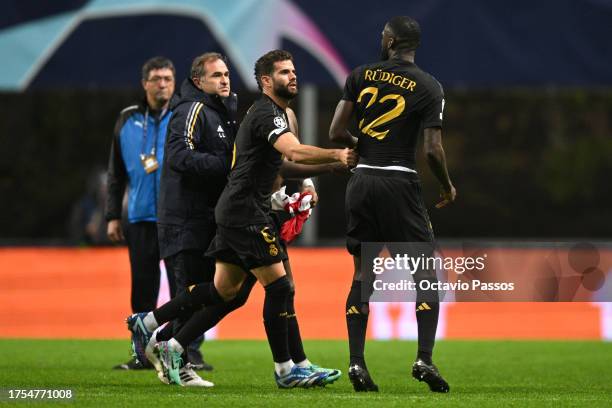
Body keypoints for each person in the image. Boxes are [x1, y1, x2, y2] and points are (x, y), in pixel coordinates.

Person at [127, 50, 356, 388]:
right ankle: (287, 369)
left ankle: (163, 336)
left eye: (293, 71)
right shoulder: (266, 114)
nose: (293, 76)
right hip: (245, 211)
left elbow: (284, 165)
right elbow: (292, 152)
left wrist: (331, 167)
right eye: (283, 72)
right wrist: (337, 154)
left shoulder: (273, 114)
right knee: (280, 287)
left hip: (241, 209)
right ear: (266, 81)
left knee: (226, 291)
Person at [329, 16, 455, 393]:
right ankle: (423, 358)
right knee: (424, 275)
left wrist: (362, 146)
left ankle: (355, 361)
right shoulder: (430, 86)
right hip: (400, 182)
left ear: (390, 41)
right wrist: (447, 185)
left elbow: (336, 133)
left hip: (363, 181)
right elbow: (432, 149)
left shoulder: (361, 74)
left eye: (382, 36)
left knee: (362, 276)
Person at [152, 53, 239, 384]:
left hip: (203, 220)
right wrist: (224, 165)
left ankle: (160, 341)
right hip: (183, 219)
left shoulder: (219, 114)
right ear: (198, 81)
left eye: (227, 74)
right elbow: (178, 157)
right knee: (190, 294)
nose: (224, 80)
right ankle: (177, 361)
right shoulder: (192, 110)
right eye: (216, 75)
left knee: (204, 293)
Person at [105, 56, 177, 370]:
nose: (162, 84)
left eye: (168, 79)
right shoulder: (127, 119)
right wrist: (112, 215)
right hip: (141, 217)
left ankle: (184, 350)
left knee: (183, 288)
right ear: (144, 83)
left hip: (179, 217)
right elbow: (115, 172)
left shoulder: (185, 115)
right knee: (142, 288)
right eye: (156, 78)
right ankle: (142, 354)